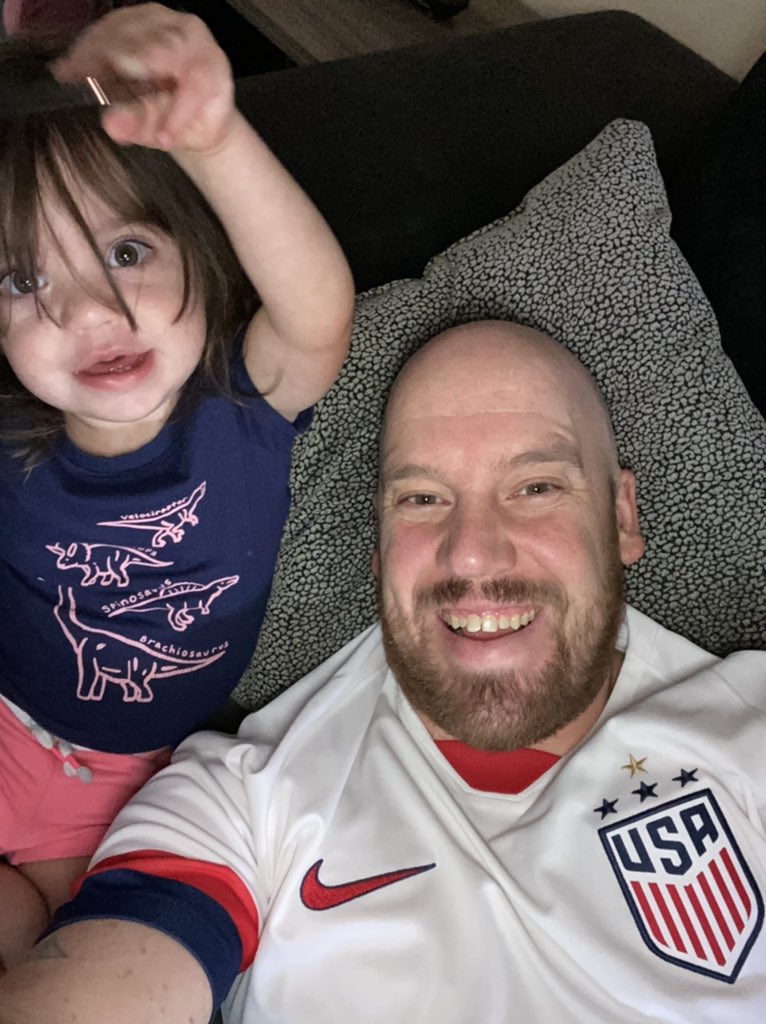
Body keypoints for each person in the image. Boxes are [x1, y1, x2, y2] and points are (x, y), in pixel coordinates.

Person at [1, 320, 764, 1022]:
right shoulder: (248, 797)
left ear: (622, 516)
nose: (472, 553)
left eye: (536, 488)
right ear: (378, 549)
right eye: (422, 498)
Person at [0, 3, 353, 972]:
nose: (87, 310)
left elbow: (319, 309)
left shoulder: (246, 408)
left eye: (126, 253)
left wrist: (214, 138)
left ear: (200, 248)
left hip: (104, 782)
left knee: (42, 947)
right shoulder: (12, 433)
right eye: (23, 281)